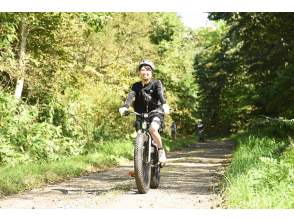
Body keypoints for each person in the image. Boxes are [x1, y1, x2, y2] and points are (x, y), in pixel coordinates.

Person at [119, 60, 171, 174]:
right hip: (140, 114)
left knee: (153, 129)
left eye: (148, 70)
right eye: (142, 70)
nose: (145, 72)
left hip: (155, 112)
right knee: (139, 138)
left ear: (151, 72)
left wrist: (165, 105)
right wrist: (125, 107)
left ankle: (161, 150)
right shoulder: (136, 86)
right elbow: (130, 97)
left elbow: (160, 95)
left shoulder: (157, 83)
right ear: (139, 72)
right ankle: (138, 166)